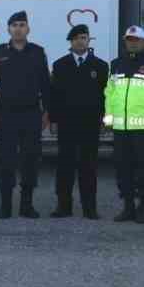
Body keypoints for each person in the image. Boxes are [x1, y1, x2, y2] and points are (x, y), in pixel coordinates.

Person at [0, 10, 50, 219]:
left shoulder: (38, 52)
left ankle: (26, 205)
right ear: (8, 29)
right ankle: (5, 206)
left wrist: (48, 113)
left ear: (28, 29)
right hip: (6, 116)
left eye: (22, 25)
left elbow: (46, 86)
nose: (18, 29)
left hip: (31, 115)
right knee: (6, 162)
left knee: (30, 161)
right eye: (14, 25)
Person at [104, 25, 144, 223]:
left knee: (143, 169)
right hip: (121, 128)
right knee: (123, 168)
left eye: (136, 40)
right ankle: (128, 207)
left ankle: (143, 207)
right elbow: (109, 93)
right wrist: (109, 118)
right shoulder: (116, 65)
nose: (132, 43)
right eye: (129, 40)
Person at [48, 25, 109, 219]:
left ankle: (89, 207)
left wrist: (102, 119)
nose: (80, 41)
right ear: (71, 42)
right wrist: (53, 119)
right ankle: (63, 206)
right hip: (67, 123)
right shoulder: (60, 65)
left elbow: (104, 96)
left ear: (89, 40)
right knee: (65, 165)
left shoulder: (100, 66)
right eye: (76, 38)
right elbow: (54, 96)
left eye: (84, 37)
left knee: (88, 166)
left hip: (90, 123)